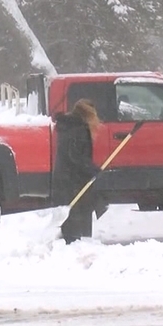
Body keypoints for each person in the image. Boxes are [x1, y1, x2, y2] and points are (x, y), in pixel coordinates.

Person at [53, 98, 104, 244]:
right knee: (79, 210)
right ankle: (76, 242)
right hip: (73, 178)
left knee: (78, 210)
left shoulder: (70, 125)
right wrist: (93, 169)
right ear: (88, 114)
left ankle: (74, 240)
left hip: (68, 176)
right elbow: (75, 156)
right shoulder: (79, 128)